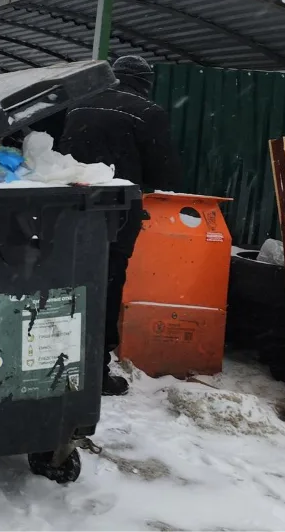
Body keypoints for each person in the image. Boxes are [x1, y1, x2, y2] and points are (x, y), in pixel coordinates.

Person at [57, 55, 182, 397]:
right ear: (145, 81)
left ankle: (56, 360)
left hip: (67, 209)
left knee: (65, 284)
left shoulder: (78, 106)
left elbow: (59, 154)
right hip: (115, 216)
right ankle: (95, 371)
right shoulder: (148, 112)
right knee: (107, 286)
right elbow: (165, 176)